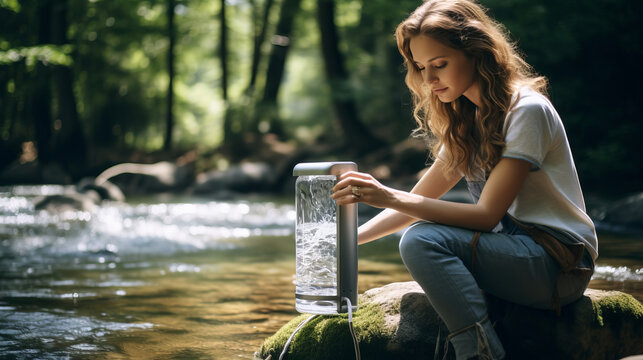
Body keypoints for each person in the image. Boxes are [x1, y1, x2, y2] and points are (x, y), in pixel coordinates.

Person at [330, 0, 598, 359]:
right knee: (420, 235)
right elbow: (417, 202)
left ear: (477, 53)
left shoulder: (527, 110)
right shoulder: (468, 121)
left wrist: (387, 195)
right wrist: (345, 242)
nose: (428, 79)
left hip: (559, 262)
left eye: (439, 65)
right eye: (421, 67)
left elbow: (487, 215)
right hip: (516, 253)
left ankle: (480, 353)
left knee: (421, 241)